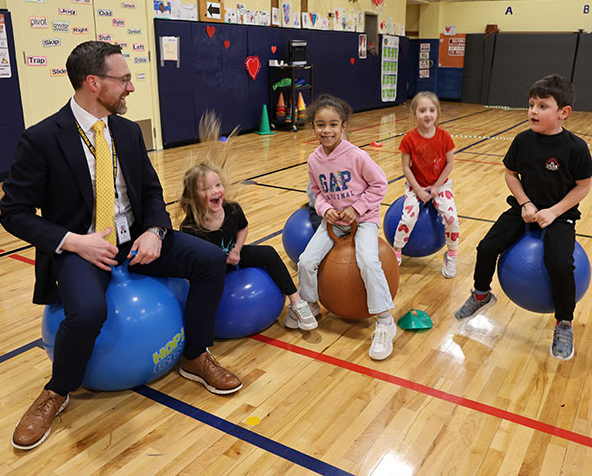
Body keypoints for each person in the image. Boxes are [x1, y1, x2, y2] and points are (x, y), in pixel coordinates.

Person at [0, 41, 242, 451]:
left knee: (208, 260)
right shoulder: (41, 139)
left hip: (137, 238)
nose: (130, 87)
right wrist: (74, 242)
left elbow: (150, 192)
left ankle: (195, 354)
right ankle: (57, 391)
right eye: (124, 79)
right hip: (83, 246)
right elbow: (13, 212)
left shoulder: (127, 131)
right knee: (88, 312)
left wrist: (156, 231)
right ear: (93, 83)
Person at [453, 74, 592, 361]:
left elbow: (584, 186)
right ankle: (481, 294)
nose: (533, 111)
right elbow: (510, 174)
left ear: (563, 112)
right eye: (531, 105)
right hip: (524, 209)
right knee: (486, 247)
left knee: (560, 265)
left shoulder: (575, 147)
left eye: (542, 106)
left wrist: (553, 211)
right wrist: (525, 203)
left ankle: (564, 322)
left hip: (560, 215)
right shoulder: (522, 140)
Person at [178, 115, 318, 330]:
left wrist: (236, 249)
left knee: (268, 253)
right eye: (206, 188)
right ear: (193, 196)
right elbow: (191, 261)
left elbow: (243, 228)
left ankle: (297, 302)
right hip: (211, 270)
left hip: (232, 256)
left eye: (217, 185)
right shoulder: (190, 227)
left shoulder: (232, 209)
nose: (215, 191)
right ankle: (201, 329)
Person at [297, 94, 397, 360]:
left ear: (344, 126)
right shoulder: (314, 160)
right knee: (306, 261)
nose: (326, 130)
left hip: (363, 220)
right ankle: (311, 305)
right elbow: (317, 192)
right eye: (320, 125)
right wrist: (324, 209)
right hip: (334, 222)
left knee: (368, 261)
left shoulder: (357, 156)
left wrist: (358, 208)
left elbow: (380, 184)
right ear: (313, 127)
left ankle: (385, 320)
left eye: (333, 124)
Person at [392, 91, 459, 277]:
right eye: (422, 110)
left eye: (431, 110)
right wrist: (418, 190)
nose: (427, 114)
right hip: (416, 186)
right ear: (415, 114)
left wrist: (436, 187)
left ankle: (452, 255)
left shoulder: (444, 137)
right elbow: (405, 167)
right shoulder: (409, 139)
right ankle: (396, 251)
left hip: (441, 185)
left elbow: (449, 163)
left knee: (451, 219)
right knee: (407, 219)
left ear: (437, 112)